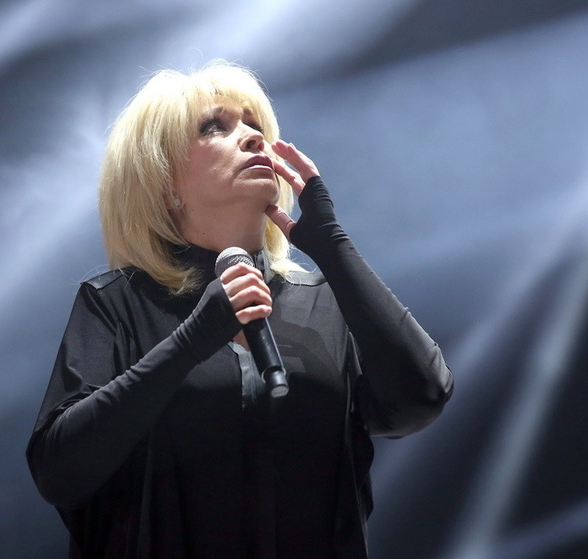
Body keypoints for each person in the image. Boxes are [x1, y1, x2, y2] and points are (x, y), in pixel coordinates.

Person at [26, 61, 453, 559]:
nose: (252, 137)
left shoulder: (325, 302)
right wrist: (189, 343)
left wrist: (333, 248)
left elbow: (422, 397)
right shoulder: (116, 303)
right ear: (164, 184)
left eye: (254, 124)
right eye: (215, 127)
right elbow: (59, 471)